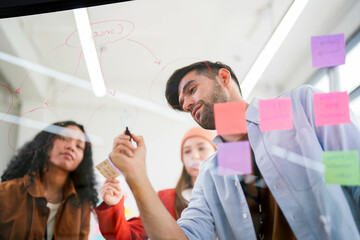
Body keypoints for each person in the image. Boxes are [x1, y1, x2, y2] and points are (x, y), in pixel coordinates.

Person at [109, 61, 360, 240]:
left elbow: (356, 173)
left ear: (224, 78)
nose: (187, 104)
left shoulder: (304, 101)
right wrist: (136, 175)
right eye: (183, 106)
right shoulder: (212, 173)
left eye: (192, 89)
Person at [94, 126, 217, 239]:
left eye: (202, 148)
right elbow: (127, 236)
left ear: (217, 153)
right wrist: (113, 206)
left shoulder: (229, 195)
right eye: (187, 151)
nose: (194, 156)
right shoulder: (166, 198)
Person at [0, 120, 98, 240]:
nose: (71, 147)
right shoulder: (5, 192)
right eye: (64, 138)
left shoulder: (81, 204)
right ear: (46, 143)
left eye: (79, 146)